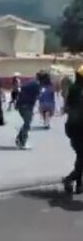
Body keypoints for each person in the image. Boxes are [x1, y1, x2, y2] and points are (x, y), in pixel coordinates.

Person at [62, 65, 83, 194]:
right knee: (81, 156)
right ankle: (70, 179)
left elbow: (67, 107)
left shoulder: (73, 88)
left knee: (81, 155)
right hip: (79, 127)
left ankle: (79, 185)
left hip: (72, 126)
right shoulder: (78, 90)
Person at [15, 71, 46, 150]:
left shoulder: (32, 82)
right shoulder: (37, 84)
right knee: (27, 124)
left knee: (27, 123)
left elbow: (22, 90)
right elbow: (38, 95)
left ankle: (19, 139)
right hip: (26, 105)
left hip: (23, 105)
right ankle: (22, 142)